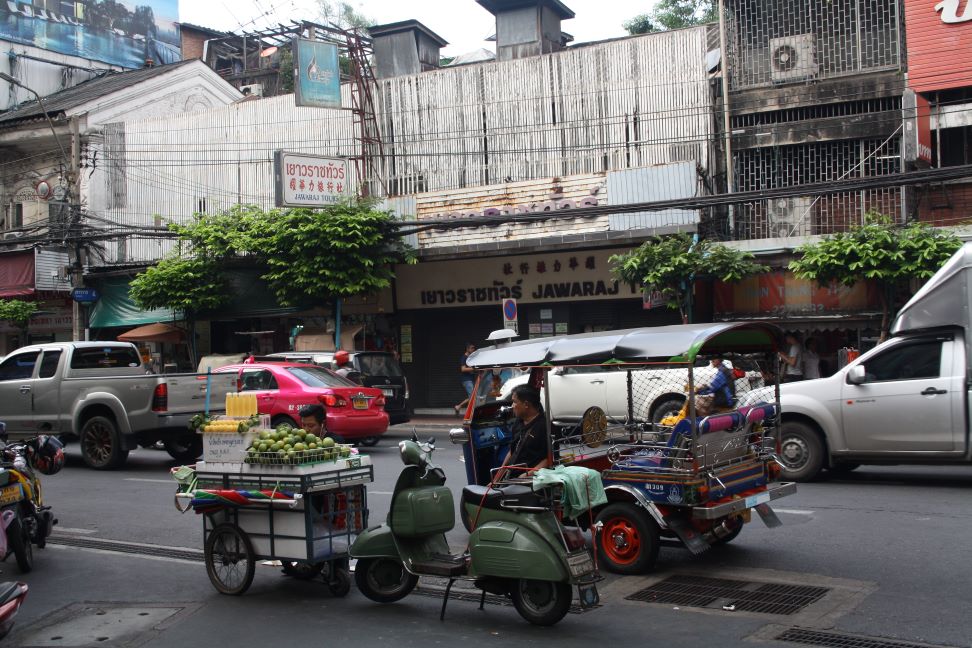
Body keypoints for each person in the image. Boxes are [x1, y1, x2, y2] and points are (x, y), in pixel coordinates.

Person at [495, 385, 550, 481]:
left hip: (529, 481)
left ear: (526, 404)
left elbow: (549, 459)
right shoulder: (518, 422)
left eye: (515, 402)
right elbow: (513, 451)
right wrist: (497, 477)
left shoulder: (545, 427)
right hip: (511, 477)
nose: (512, 406)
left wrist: (526, 475)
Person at [454, 342, 476, 416]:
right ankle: (471, 414)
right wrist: (473, 369)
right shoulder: (464, 357)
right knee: (472, 397)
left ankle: (458, 406)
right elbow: (463, 369)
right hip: (466, 380)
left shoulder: (470, 358)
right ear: (467, 349)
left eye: (474, 348)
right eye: (472, 348)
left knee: (472, 396)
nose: (473, 349)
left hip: (470, 379)